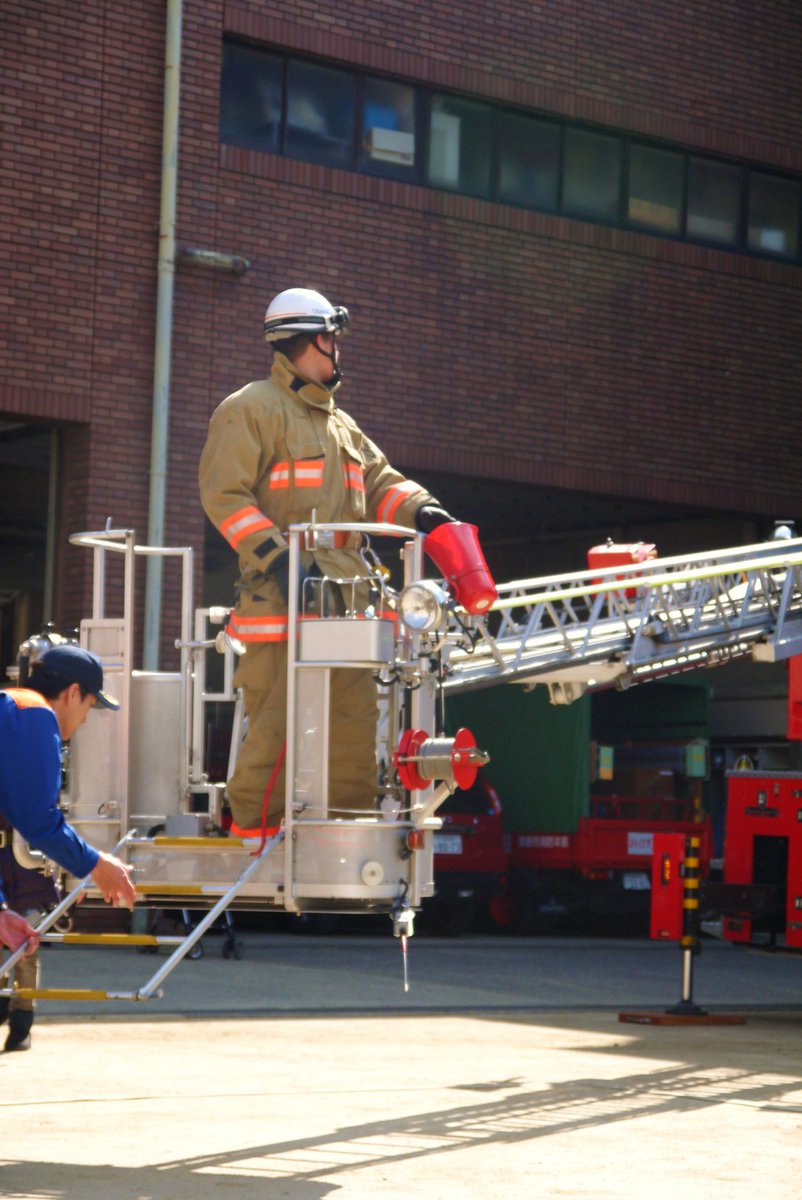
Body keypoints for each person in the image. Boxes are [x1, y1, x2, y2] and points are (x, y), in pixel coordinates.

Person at [199, 286, 496, 835]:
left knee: (354, 728)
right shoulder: (250, 409)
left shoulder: (341, 425)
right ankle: (255, 835)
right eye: (333, 339)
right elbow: (226, 498)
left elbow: (382, 485)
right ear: (308, 340)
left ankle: (345, 833)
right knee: (278, 725)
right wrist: (283, 563)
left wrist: (429, 514)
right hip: (283, 604)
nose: (339, 349)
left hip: (350, 603)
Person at [0, 643, 137, 1040]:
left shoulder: (12, 707)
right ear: (73, 692)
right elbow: (38, 820)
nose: (85, 721)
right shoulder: (34, 715)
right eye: (90, 706)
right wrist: (96, 863)